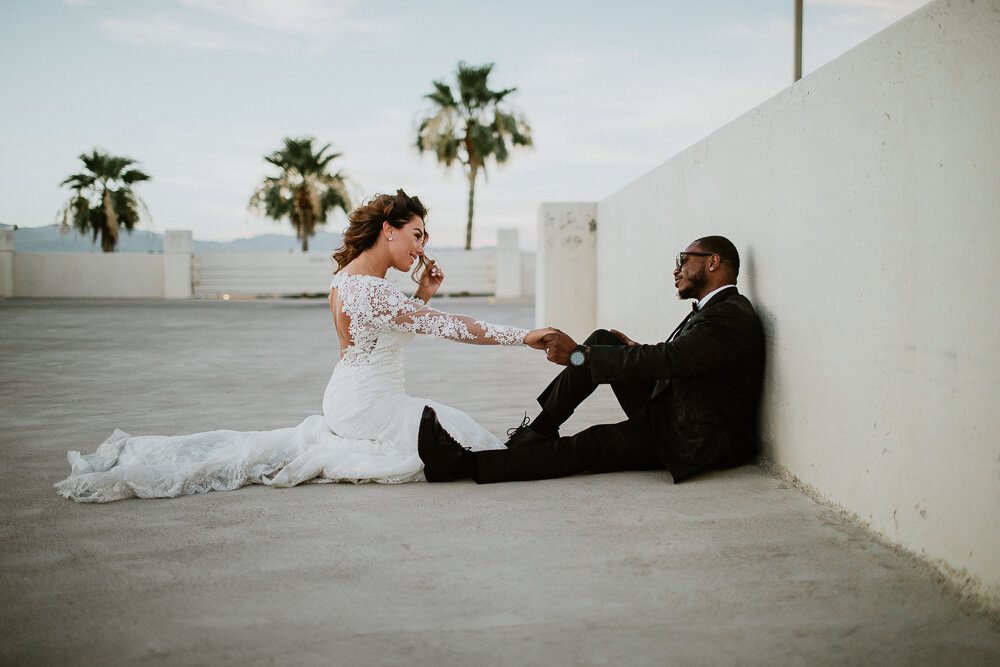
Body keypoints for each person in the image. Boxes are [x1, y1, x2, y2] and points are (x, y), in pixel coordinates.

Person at [55, 189, 553, 502]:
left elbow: (394, 327)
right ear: (389, 229)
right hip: (366, 404)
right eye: (416, 235)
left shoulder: (349, 279)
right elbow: (446, 326)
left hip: (351, 395)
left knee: (456, 431)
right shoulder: (372, 288)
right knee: (463, 434)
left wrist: (422, 292)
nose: (421, 248)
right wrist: (524, 336)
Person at [418, 235, 765, 484]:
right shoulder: (718, 310)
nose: (677, 270)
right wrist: (622, 351)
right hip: (679, 408)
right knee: (604, 341)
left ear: (713, 262)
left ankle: (463, 465)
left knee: (588, 444)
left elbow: (670, 358)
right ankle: (539, 430)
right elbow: (684, 359)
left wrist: (579, 356)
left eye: (683, 260)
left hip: (694, 436)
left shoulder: (728, 315)